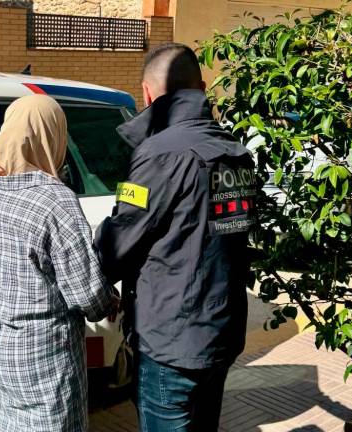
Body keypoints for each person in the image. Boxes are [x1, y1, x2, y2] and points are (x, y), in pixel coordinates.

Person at [94, 43, 257, 432]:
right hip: (220, 331)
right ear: (202, 87)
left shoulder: (160, 154)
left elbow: (120, 240)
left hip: (171, 339)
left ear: (147, 95)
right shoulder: (235, 152)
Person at [0, 94, 119, 432]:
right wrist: (111, 301)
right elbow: (87, 295)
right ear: (53, 136)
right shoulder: (55, 200)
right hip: (43, 360)